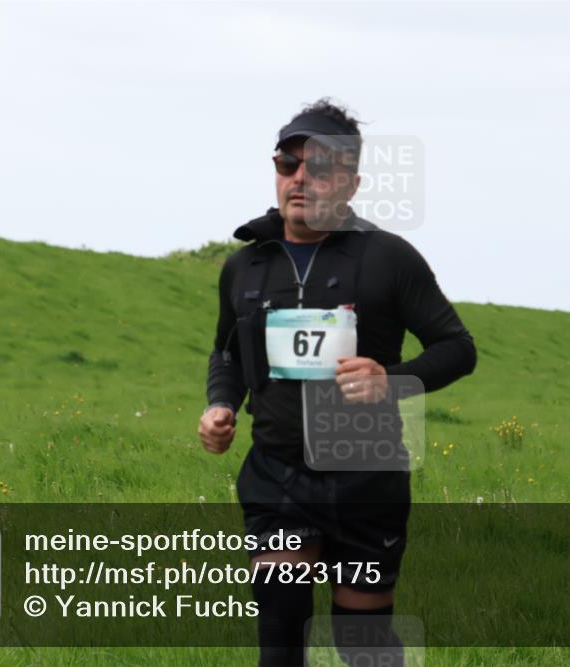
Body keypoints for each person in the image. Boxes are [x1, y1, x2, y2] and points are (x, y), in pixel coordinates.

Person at [199, 98, 476, 667]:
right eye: (287, 164)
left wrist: (390, 379)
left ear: (349, 182)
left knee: (363, 643)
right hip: (276, 475)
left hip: (365, 477)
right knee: (280, 637)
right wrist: (221, 405)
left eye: (318, 167)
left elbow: (458, 349)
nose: (299, 178)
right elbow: (225, 352)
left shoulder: (388, 258)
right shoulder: (245, 266)